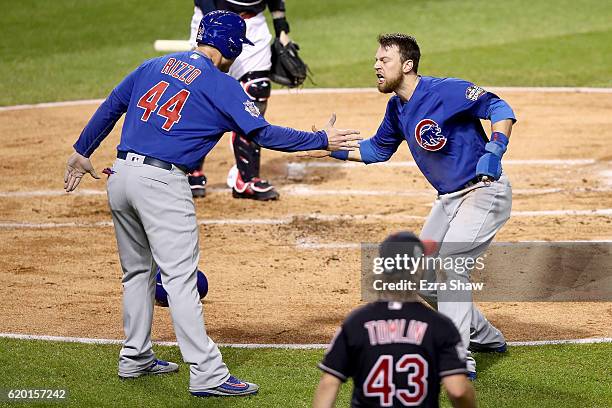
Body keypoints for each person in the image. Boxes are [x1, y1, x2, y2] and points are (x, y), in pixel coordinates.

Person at [63, 11, 360, 397]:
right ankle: (207, 373)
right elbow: (263, 132)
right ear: (231, 47)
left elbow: (112, 105)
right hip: (161, 183)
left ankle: (135, 356)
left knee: (137, 273)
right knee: (181, 281)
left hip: (121, 176)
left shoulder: (153, 65)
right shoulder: (222, 86)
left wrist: (81, 150)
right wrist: (321, 138)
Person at [305, 33, 515, 379]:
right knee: (420, 276)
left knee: (451, 264)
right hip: (449, 200)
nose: (376, 65)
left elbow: (499, 107)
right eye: (375, 60)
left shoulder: (445, 91)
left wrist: (495, 149)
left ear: (407, 65)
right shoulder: (396, 107)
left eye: (383, 60)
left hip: (484, 192)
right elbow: (376, 151)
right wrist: (330, 149)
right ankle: (485, 337)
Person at [313, 231, 476, 408]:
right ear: (418, 270)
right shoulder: (440, 325)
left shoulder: (357, 322)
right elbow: (458, 391)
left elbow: (329, 383)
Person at [187, 0, 293, 200]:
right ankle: (190, 169)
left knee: (257, 90)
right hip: (213, 23)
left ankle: (246, 178)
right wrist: (218, 21)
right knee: (200, 92)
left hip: (254, 24)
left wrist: (281, 26)